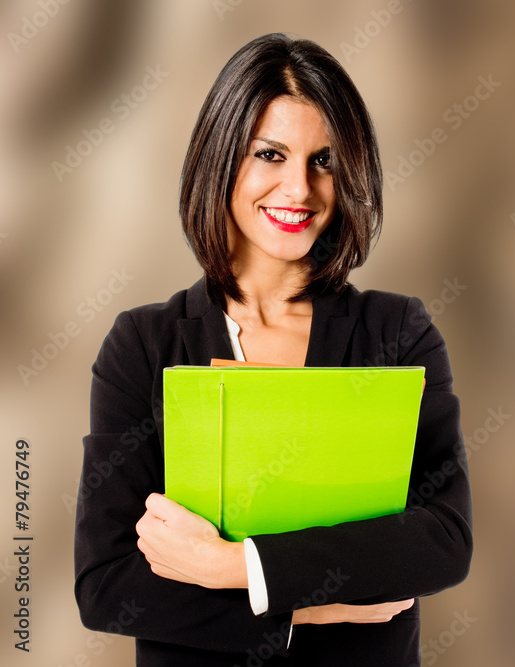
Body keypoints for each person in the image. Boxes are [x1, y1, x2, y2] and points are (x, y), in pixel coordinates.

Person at [73, 33, 473, 666]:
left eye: (324, 160)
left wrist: (231, 564)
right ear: (221, 157)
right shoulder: (143, 346)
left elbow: (441, 541)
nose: (299, 189)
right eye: (270, 154)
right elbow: (108, 583)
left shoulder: (396, 333)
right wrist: (307, 607)